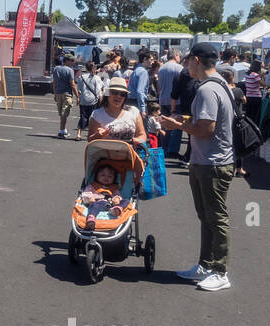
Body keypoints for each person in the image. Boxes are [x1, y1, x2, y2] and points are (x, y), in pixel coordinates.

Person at [157, 43, 234, 292]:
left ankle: (220, 271)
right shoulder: (219, 84)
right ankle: (206, 264)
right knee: (207, 217)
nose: (186, 65)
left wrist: (177, 126)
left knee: (215, 217)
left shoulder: (208, 90)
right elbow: (206, 122)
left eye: (188, 60)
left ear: (197, 60)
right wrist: (183, 120)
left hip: (212, 162)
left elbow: (206, 129)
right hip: (209, 161)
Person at [87, 77, 147, 145]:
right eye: (115, 93)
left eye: (122, 94)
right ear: (108, 94)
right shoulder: (97, 114)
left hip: (129, 154)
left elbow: (142, 134)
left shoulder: (134, 112)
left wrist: (139, 140)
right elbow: (90, 139)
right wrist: (97, 135)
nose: (119, 96)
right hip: (105, 154)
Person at [77, 161, 126, 231]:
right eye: (103, 175)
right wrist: (90, 198)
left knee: (126, 201)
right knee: (96, 205)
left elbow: (118, 195)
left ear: (114, 178)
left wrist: (117, 198)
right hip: (97, 203)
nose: (106, 178)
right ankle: (91, 219)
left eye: (110, 176)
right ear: (97, 176)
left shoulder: (114, 188)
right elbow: (85, 194)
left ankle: (116, 210)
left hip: (111, 205)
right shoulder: (93, 186)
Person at [74, 61, 102, 142]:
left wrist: (78, 98)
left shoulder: (81, 77)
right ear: (94, 68)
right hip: (93, 100)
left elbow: (79, 90)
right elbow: (98, 90)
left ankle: (78, 134)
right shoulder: (96, 78)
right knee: (92, 118)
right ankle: (91, 134)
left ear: (85, 68)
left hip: (83, 100)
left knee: (83, 116)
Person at [51, 53, 75, 138]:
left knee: (62, 113)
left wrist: (54, 94)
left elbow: (54, 82)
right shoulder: (70, 70)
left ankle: (63, 129)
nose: (73, 62)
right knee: (64, 113)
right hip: (66, 94)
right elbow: (72, 84)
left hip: (58, 93)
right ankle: (61, 131)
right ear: (67, 61)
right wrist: (78, 96)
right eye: (72, 60)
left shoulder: (56, 68)